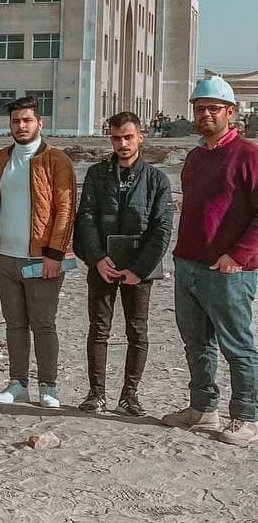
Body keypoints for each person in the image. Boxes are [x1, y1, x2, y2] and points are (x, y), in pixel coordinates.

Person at [162, 77, 258, 446]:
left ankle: (245, 416)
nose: (205, 114)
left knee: (237, 346)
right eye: (199, 108)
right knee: (196, 342)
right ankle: (202, 408)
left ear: (230, 112)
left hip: (229, 271)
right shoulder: (195, 157)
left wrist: (238, 255)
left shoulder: (248, 156)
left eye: (213, 109)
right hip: (189, 265)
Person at [74, 111, 172, 417]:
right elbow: (86, 218)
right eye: (116, 138)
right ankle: (96, 394)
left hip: (139, 268)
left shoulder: (157, 179)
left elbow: (162, 229)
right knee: (99, 329)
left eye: (128, 137)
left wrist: (139, 270)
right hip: (102, 264)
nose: (123, 144)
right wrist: (96, 259)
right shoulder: (97, 174)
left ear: (141, 137)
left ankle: (130, 395)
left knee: (137, 331)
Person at [0, 96, 76, 409]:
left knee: (44, 324)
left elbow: (66, 209)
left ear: (39, 123)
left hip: (41, 259)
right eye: (16, 121)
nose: (21, 126)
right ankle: (17, 383)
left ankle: (48, 386)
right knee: (14, 324)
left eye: (27, 120)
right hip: (5, 258)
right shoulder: (0, 159)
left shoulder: (56, 160)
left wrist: (55, 254)